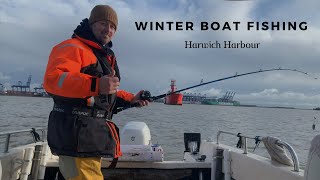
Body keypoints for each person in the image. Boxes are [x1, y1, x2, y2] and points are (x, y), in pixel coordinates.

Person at [43, 4, 149, 179]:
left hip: (88, 137)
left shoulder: (101, 54)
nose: (108, 29)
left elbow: (107, 93)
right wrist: (96, 85)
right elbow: (53, 80)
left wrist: (131, 99)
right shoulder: (73, 47)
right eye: (103, 23)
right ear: (92, 24)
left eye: (113, 27)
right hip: (77, 137)